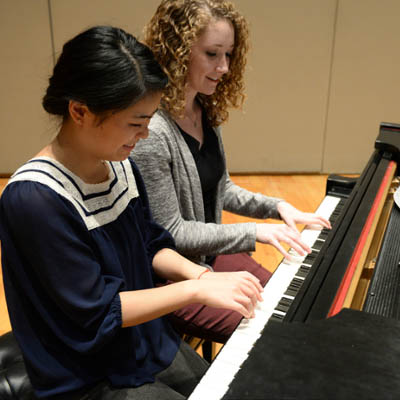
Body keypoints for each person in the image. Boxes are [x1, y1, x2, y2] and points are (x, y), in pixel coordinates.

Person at [0, 26, 263, 399]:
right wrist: (194, 290)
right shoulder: (36, 199)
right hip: (85, 374)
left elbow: (151, 242)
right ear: (80, 111)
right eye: (136, 123)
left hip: (144, 340)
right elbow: (98, 313)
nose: (145, 135)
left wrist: (198, 274)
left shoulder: (119, 164)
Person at [131, 0, 331, 344]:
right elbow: (173, 233)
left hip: (209, 257)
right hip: (172, 279)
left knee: (296, 307)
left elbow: (220, 187)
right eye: (212, 54)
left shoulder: (202, 107)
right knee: (276, 338)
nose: (224, 67)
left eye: (229, 55)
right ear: (177, 52)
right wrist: (256, 232)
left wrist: (278, 207)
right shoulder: (153, 133)